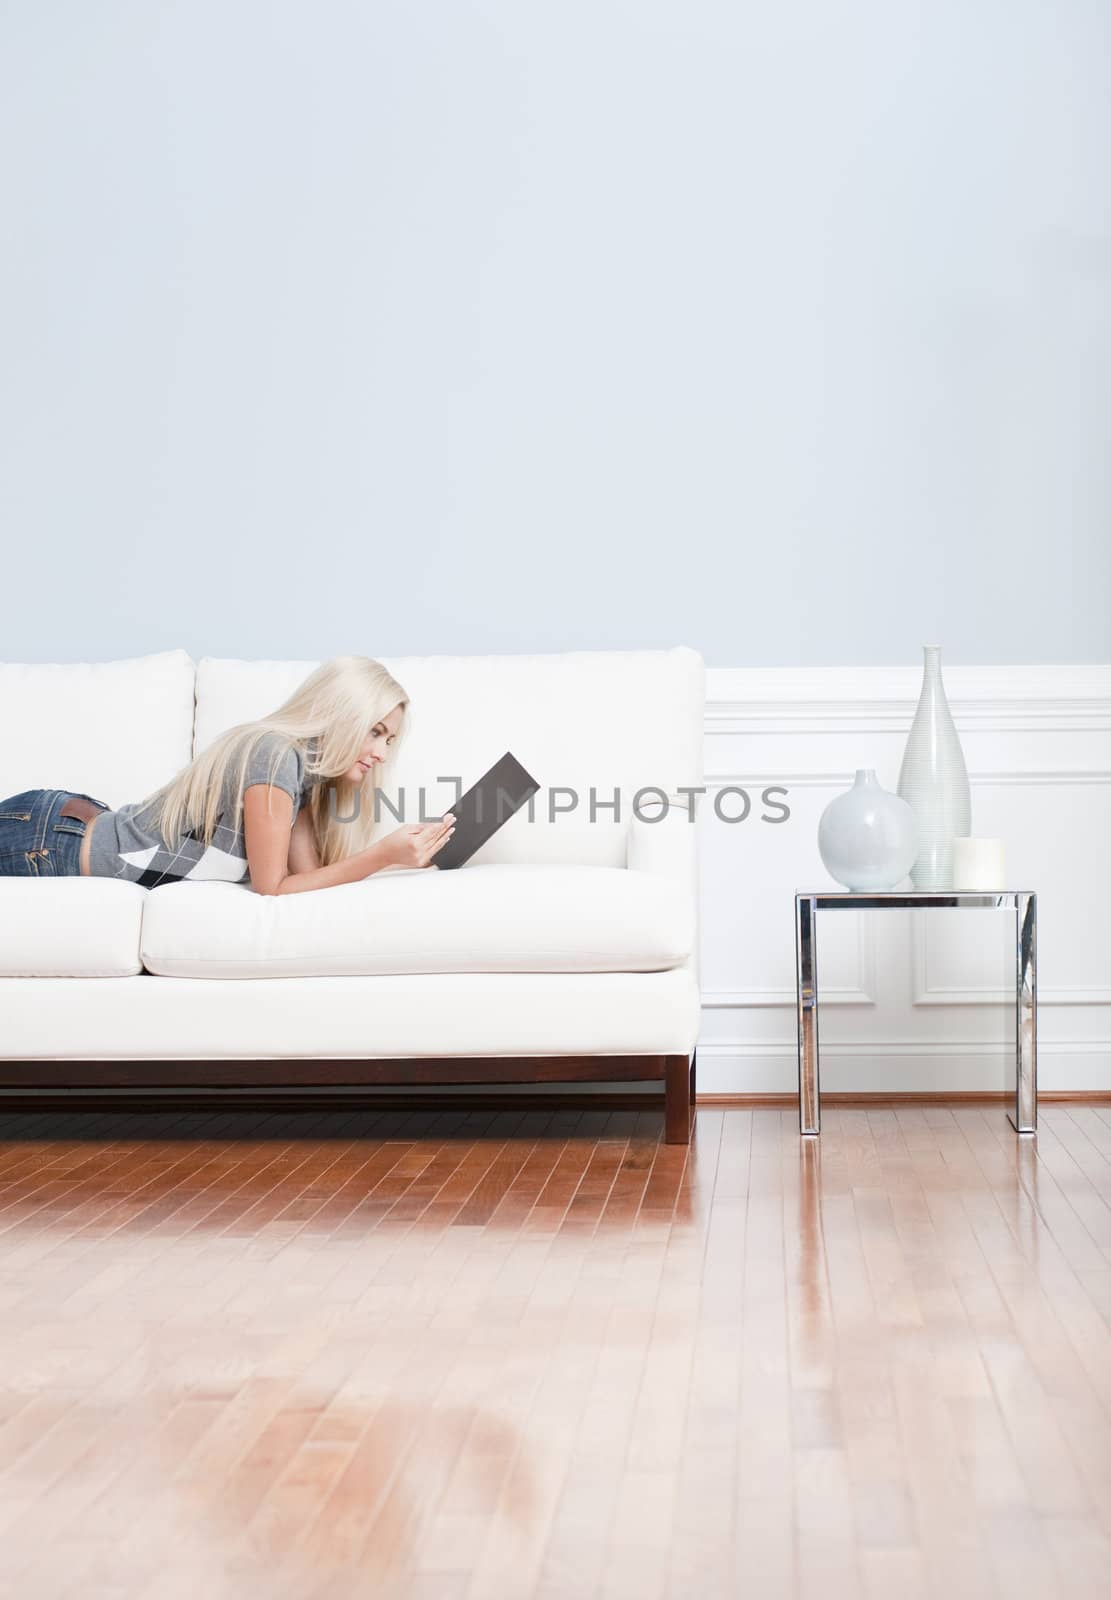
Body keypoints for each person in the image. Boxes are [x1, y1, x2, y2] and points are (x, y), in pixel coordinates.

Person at [0, 655, 455, 894]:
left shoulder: (300, 779)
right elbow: (271, 889)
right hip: (49, 842)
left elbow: (307, 884)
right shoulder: (276, 756)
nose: (380, 752)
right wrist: (382, 855)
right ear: (341, 713)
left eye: (389, 740)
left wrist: (400, 860)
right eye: (375, 732)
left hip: (66, 826)